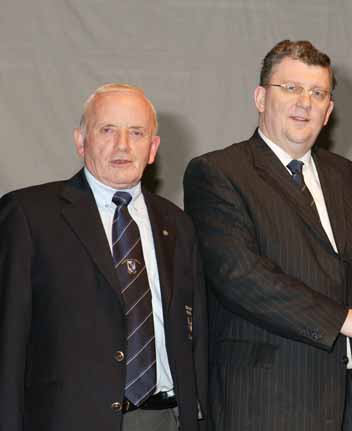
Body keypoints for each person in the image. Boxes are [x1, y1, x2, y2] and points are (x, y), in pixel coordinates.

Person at [184, 40, 352, 431]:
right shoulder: (218, 172)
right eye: (291, 88)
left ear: (329, 111)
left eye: (318, 93)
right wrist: (343, 319)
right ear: (261, 97)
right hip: (269, 401)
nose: (305, 102)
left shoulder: (348, 176)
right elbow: (239, 275)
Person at [0, 84, 207, 431]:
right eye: (107, 130)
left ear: (153, 148)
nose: (123, 145)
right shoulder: (28, 215)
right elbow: (7, 347)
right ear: (81, 141)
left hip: (165, 419)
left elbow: (195, 336)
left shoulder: (178, 225)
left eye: (137, 133)